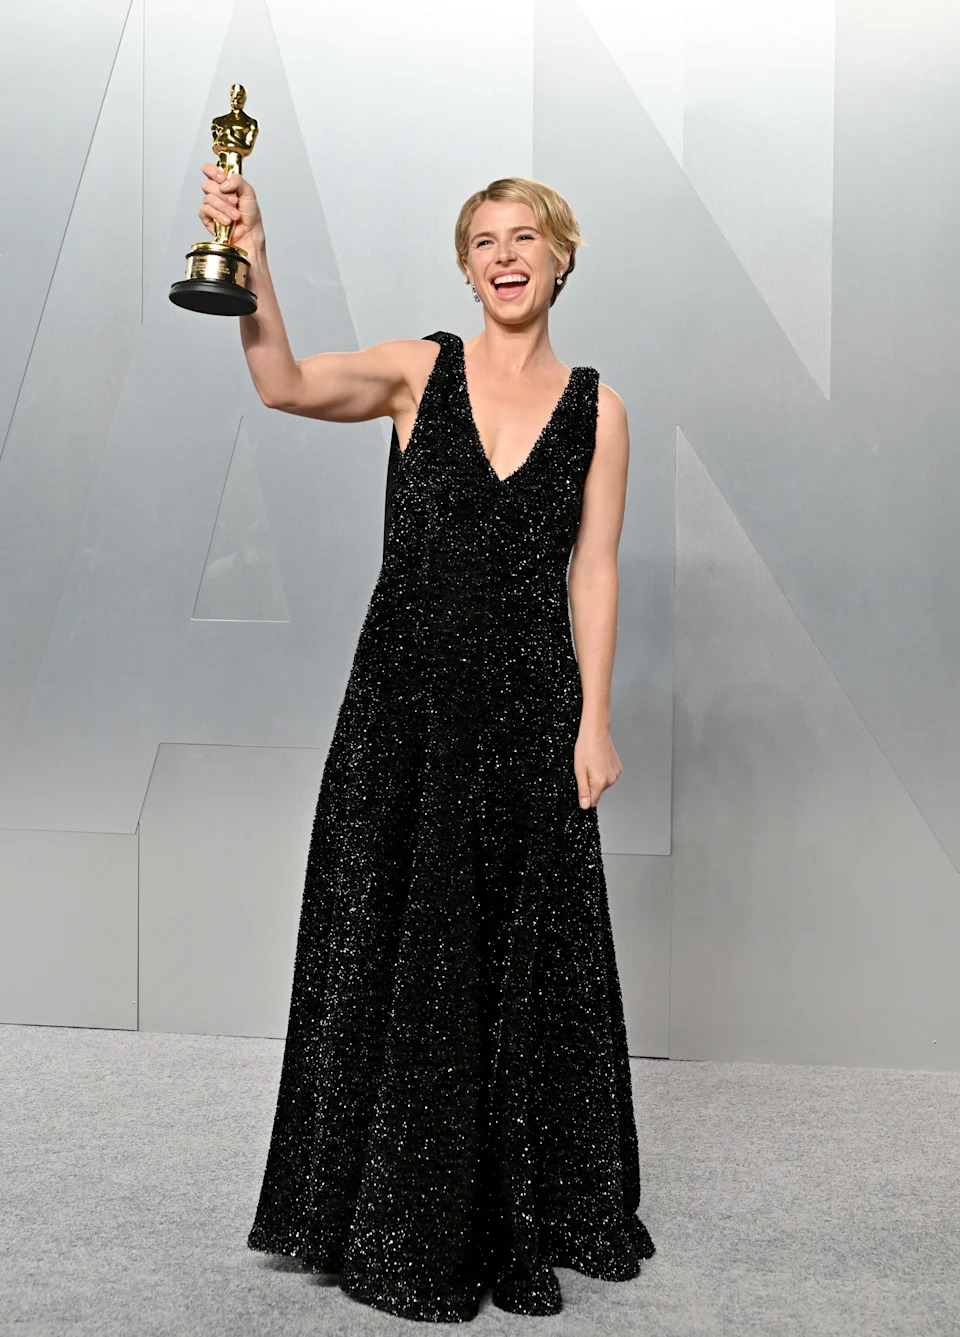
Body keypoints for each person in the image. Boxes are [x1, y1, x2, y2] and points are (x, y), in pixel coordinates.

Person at [197, 160, 656, 1321]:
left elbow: (591, 571)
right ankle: (378, 1201)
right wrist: (250, 253)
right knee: (386, 942)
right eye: (486, 239)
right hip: (403, 713)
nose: (507, 255)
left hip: (529, 713)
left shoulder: (601, 412)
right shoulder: (419, 372)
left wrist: (594, 719)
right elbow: (284, 383)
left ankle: (517, 1200)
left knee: (513, 955)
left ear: (562, 257)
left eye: (528, 237)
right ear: (465, 266)